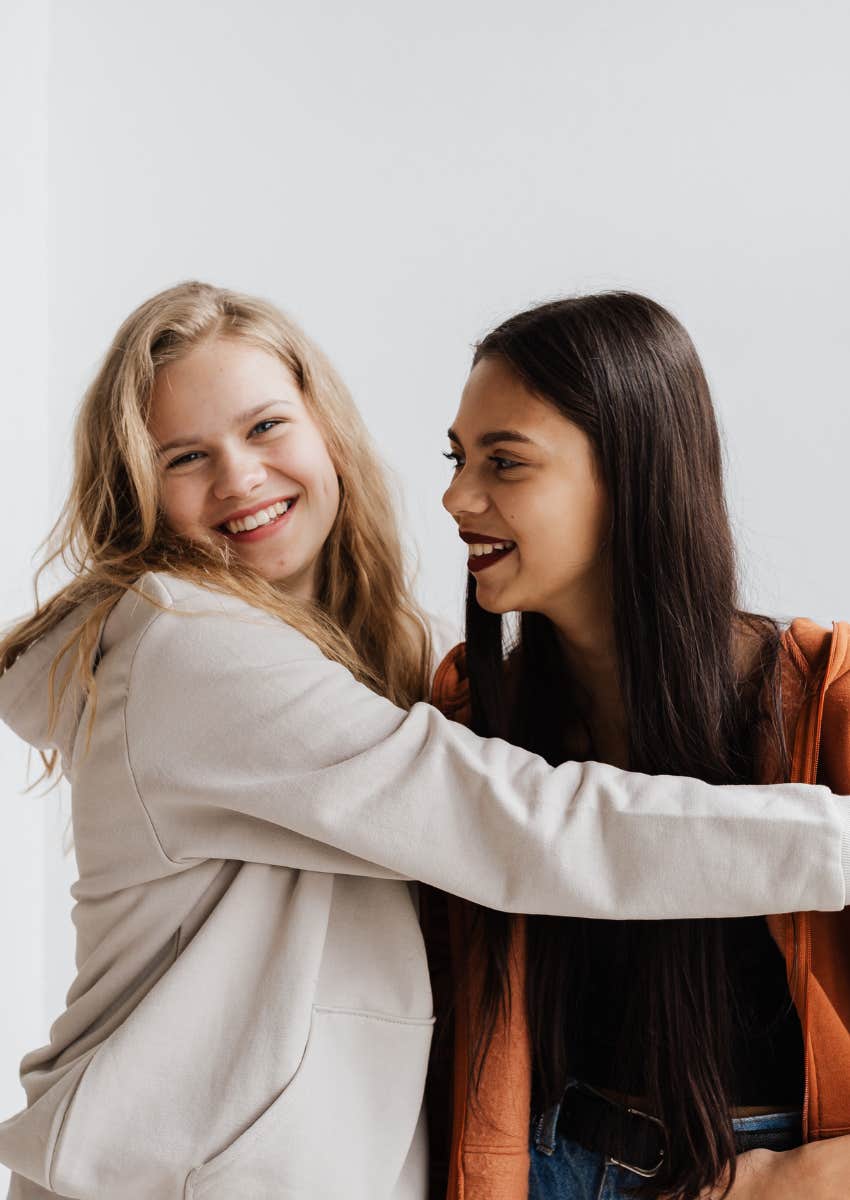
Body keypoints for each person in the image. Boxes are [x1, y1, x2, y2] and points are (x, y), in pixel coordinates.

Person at [0, 282, 848, 1200]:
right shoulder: (189, 648)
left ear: (326, 429)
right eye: (185, 455)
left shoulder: (368, 667)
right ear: (136, 485)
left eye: (265, 427)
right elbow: (518, 827)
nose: (240, 477)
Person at [427, 291, 850, 1200]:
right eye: (459, 457)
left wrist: (797, 1180)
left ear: (633, 475)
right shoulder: (470, 710)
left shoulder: (828, 703)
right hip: (537, 1166)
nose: (457, 497)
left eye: (505, 462)